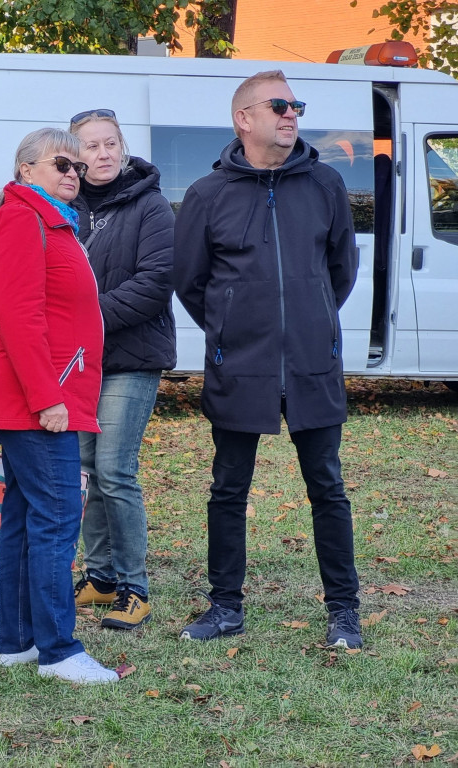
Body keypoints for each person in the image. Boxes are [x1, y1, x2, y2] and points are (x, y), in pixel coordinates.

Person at [173, 70, 362, 649]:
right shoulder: (208, 195)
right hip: (240, 366)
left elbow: (340, 272)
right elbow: (192, 281)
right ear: (244, 118)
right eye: (278, 105)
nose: (291, 114)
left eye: (296, 105)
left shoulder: (326, 184)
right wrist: (232, 329)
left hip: (312, 364)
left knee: (327, 487)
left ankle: (344, 611)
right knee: (228, 490)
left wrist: (310, 322)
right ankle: (225, 606)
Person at [0, 127, 116, 684]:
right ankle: (59, 650)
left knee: (25, 517)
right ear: (25, 169)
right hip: (37, 398)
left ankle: (19, 642)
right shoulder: (23, 219)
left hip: (41, 394)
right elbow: (19, 317)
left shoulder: (51, 220)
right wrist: (47, 398)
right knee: (56, 520)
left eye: (77, 167)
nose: (73, 173)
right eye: (62, 163)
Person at [68, 109, 176, 631]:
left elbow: (156, 281)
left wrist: (85, 319)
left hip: (131, 357)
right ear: (74, 156)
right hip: (78, 362)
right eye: (91, 146)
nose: (103, 153)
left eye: (111, 142)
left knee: (113, 468)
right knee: (85, 469)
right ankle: (101, 575)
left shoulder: (151, 205)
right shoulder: (65, 206)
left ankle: (135, 587)